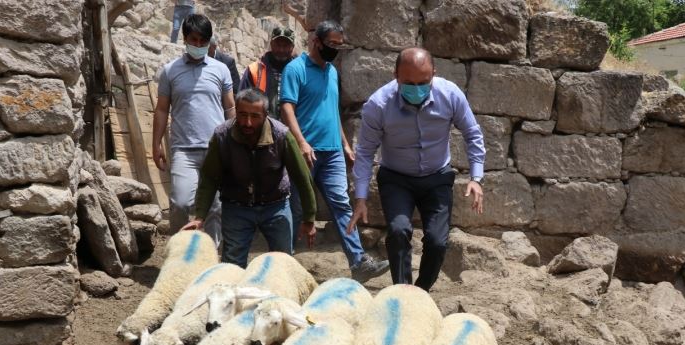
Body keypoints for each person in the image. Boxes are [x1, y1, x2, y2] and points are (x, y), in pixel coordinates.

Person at [348, 48, 485, 291]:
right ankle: (402, 293)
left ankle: (421, 291)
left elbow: (472, 133)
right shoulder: (378, 104)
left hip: (437, 177)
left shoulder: (450, 95)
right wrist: (360, 198)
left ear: (434, 73)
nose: (417, 89)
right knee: (399, 232)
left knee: (437, 241)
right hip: (396, 178)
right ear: (396, 76)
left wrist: (476, 177)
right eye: (408, 83)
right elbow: (366, 152)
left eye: (423, 82)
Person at [280, 20, 389, 283]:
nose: (335, 50)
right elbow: (286, 108)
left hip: (332, 154)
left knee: (341, 204)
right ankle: (283, 264)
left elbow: (332, 113)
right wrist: (301, 142)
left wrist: (345, 145)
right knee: (295, 208)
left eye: (340, 45)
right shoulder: (295, 69)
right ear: (316, 41)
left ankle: (359, 262)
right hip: (303, 152)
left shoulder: (331, 72)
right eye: (332, 44)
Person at [185, 89, 318, 267]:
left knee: (283, 263)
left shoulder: (281, 135)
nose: (248, 122)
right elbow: (209, 178)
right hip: (236, 206)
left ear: (266, 115)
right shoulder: (222, 136)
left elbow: (302, 178)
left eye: (255, 116)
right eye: (242, 115)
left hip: (275, 206)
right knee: (232, 265)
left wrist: (309, 218)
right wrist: (200, 216)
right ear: (236, 113)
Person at [153, 14, 235, 247]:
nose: (198, 45)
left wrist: (234, 142)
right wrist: (156, 144)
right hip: (183, 150)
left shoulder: (221, 70)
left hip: (216, 149)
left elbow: (230, 107)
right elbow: (161, 110)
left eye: (203, 41)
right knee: (179, 202)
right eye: (194, 39)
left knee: (215, 207)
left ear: (209, 42)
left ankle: (209, 257)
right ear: (185, 39)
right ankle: (179, 253)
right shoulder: (170, 71)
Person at [240, 26, 297, 119]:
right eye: (278, 45)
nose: (281, 50)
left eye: (285, 45)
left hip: (294, 129)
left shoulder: (300, 72)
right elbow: (242, 103)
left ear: (292, 47)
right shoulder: (254, 70)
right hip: (262, 128)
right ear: (271, 44)